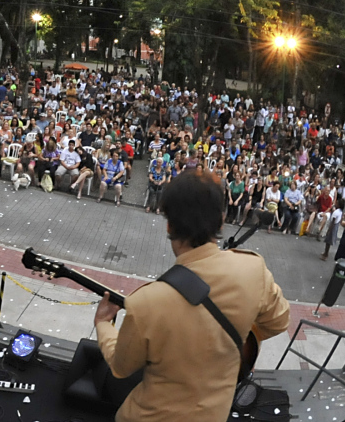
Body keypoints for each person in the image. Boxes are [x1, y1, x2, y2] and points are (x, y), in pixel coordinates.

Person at [94, 169, 290, 422]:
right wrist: (234, 334)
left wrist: (102, 324)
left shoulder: (146, 303)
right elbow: (279, 321)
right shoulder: (253, 269)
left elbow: (121, 368)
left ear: (169, 225)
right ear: (221, 221)